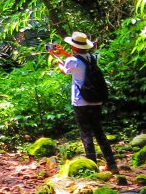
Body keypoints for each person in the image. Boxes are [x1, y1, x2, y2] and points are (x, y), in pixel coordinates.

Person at [49, 31, 118, 173]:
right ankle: (112, 164)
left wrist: (57, 58)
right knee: (99, 132)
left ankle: (91, 166)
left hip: (81, 102)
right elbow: (80, 63)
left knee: (86, 133)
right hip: (96, 100)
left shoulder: (72, 61)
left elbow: (66, 69)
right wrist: (64, 54)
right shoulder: (93, 58)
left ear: (73, 47)